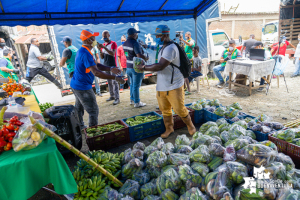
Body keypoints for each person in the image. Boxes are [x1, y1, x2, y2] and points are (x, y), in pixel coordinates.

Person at [137, 25, 196, 139]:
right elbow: (155, 48)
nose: (156, 38)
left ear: (165, 35)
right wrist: (146, 46)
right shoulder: (162, 46)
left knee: (179, 109)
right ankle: (169, 128)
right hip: (162, 85)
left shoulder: (171, 48)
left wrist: (144, 68)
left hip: (174, 84)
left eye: (158, 36)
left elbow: (160, 66)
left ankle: (190, 126)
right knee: (165, 109)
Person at [70, 29, 125, 129]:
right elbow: (96, 72)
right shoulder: (85, 53)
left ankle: (80, 126)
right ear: (88, 40)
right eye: (93, 38)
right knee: (93, 110)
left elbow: (96, 65)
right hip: (83, 87)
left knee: (79, 108)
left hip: (76, 84)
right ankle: (93, 132)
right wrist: (115, 78)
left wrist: (111, 68)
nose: (96, 40)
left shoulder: (85, 50)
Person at [123, 28, 149, 108]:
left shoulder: (124, 43)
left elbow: (128, 54)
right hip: (136, 68)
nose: (137, 35)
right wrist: (146, 58)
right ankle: (137, 102)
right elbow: (139, 55)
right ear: (134, 34)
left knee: (132, 84)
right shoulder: (135, 43)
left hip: (128, 67)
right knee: (136, 86)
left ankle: (132, 99)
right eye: (136, 33)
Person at [99, 30, 119, 105]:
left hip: (113, 65)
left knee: (115, 82)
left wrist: (104, 47)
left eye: (106, 36)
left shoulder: (113, 43)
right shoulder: (103, 45)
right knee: (109, 82)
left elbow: (112, 53)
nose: (104, 38)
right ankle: (112, 96)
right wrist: (100, 50)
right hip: (106, 65)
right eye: (103, 36)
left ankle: (117, 98)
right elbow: (102, 57)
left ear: (109, 35)